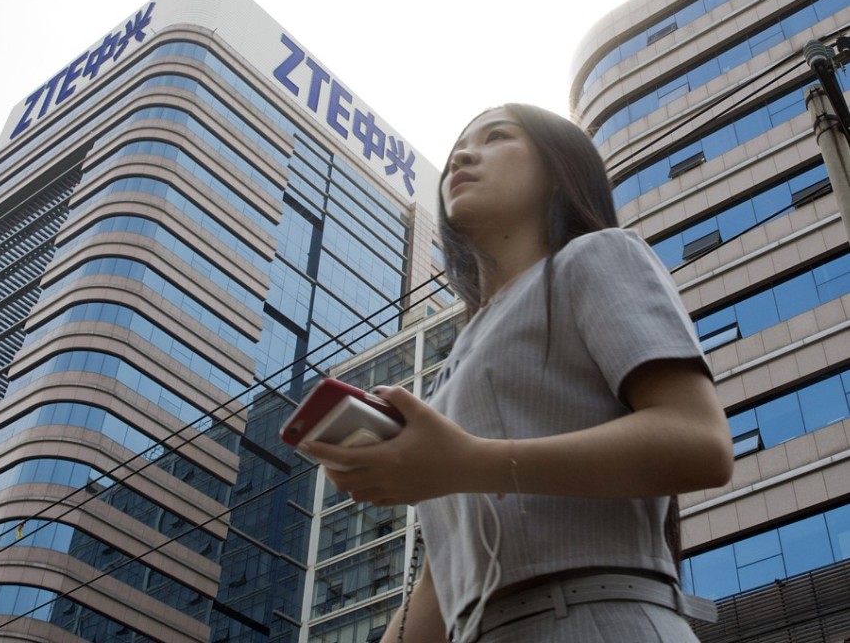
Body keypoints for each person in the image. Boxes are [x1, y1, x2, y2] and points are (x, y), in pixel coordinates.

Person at [300, 103, 734, 642]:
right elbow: (442, 582)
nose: (463, 154)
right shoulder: (452, 368)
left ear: (558, 170)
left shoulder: (594, 256)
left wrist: (467, 463)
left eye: (497, 136)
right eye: (460, 145)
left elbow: (699, 442)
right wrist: (451, 470)